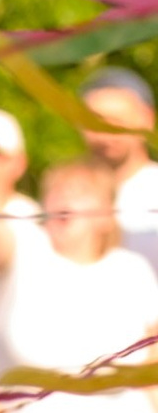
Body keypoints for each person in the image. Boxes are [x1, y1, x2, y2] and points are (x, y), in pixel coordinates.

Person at [0, 149, 158, 413]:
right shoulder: (22, 254)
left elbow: (151, 367)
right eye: (56, 190)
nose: (63, 197)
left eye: (80, 192)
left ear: (107, 215)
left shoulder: (133, 270)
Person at [81, 66, 158, 269]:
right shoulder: (65, 194)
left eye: (116, 121)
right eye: (94, 121)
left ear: (147, 120)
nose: (106, 133)